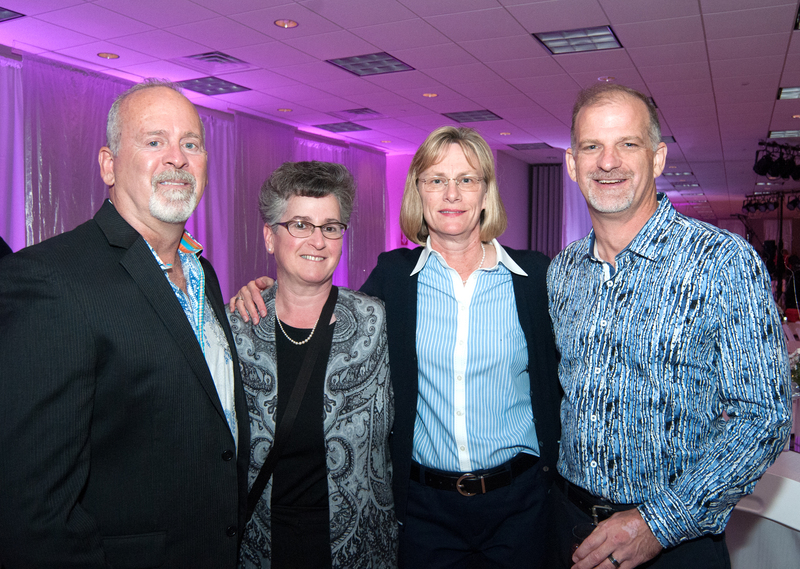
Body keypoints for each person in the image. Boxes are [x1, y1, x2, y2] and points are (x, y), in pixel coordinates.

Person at [232, 127, 561, 568]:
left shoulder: (534, 277)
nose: (452, 193)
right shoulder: (393, 278)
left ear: (486, 192)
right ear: (418, 193)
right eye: (436, 179)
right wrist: (264, 290)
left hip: (520, 505)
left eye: (467, 179)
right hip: (426, 511)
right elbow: (326, 307)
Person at [0, 79, 249, 568]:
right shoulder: (51, 279)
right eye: (155, 141)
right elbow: (33, 510)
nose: (177, 158)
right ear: (109, 165)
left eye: (191, 144)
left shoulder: (203, 272)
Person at [548, 83, 792, 569]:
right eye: (592, 146)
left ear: (657, 159)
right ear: (573, 165)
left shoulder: (722, 262)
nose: (608, 161)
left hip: (675, 545)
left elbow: (763, 419)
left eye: (627, 144)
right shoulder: (563, 270)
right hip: (570, 530)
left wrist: (657, 523)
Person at [231, 161, 397, 568]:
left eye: (330, 227)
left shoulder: (376, 322)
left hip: (360, 544)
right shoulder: (235, 328)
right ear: (270, 237)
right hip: (260, 544)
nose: (317, 241)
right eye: (300, 225)